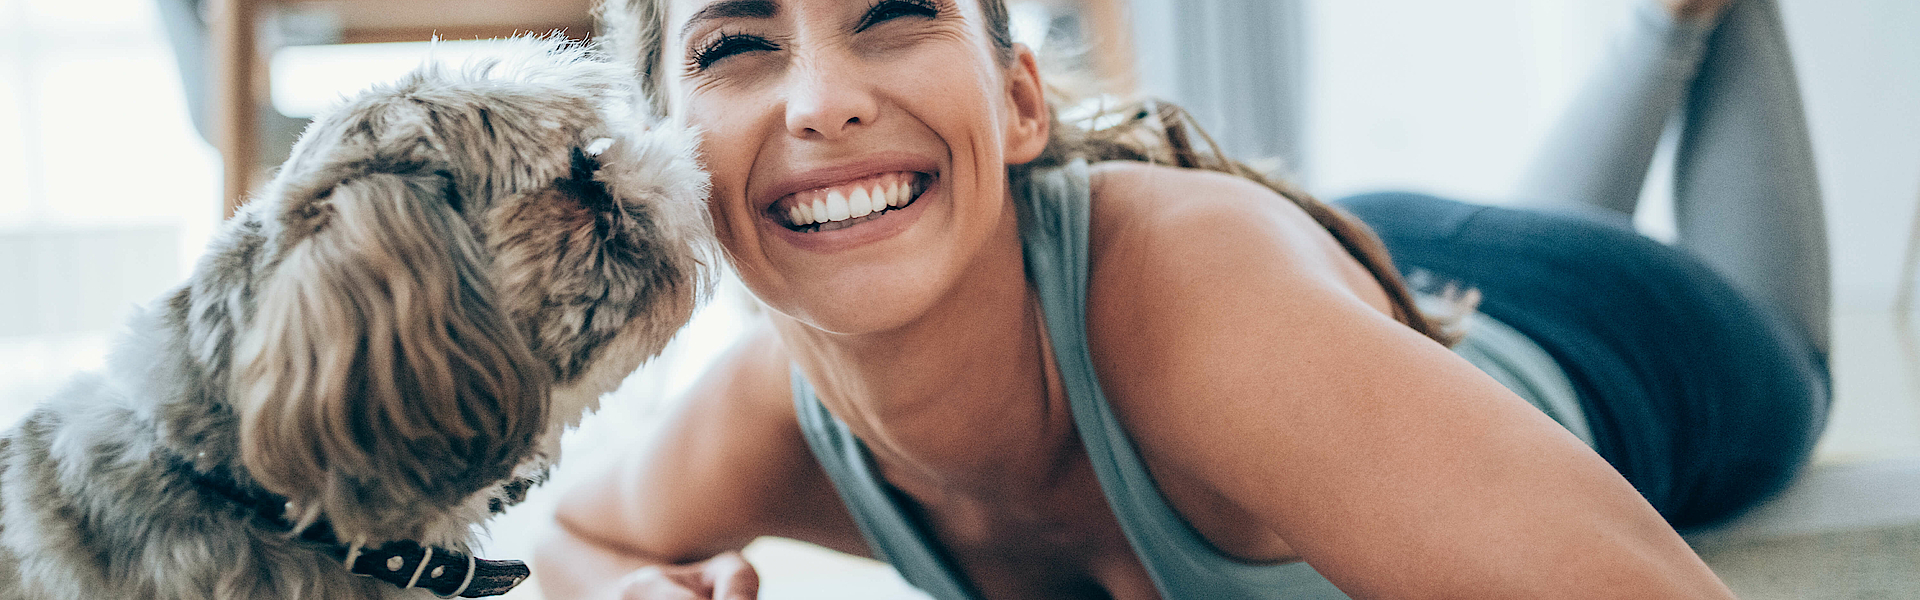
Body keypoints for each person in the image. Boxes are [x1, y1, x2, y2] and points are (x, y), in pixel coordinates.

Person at [535, 0, 1829, 597]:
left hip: (1618, 344)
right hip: (1366, 247)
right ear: (668, 164)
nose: (822, 98)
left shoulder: (1197, 306)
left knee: (1801, 372)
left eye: (895, 17)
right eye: (735, 45)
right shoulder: (768, 412)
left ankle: (1678, 20)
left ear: (1023, 102)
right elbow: (571, 541)